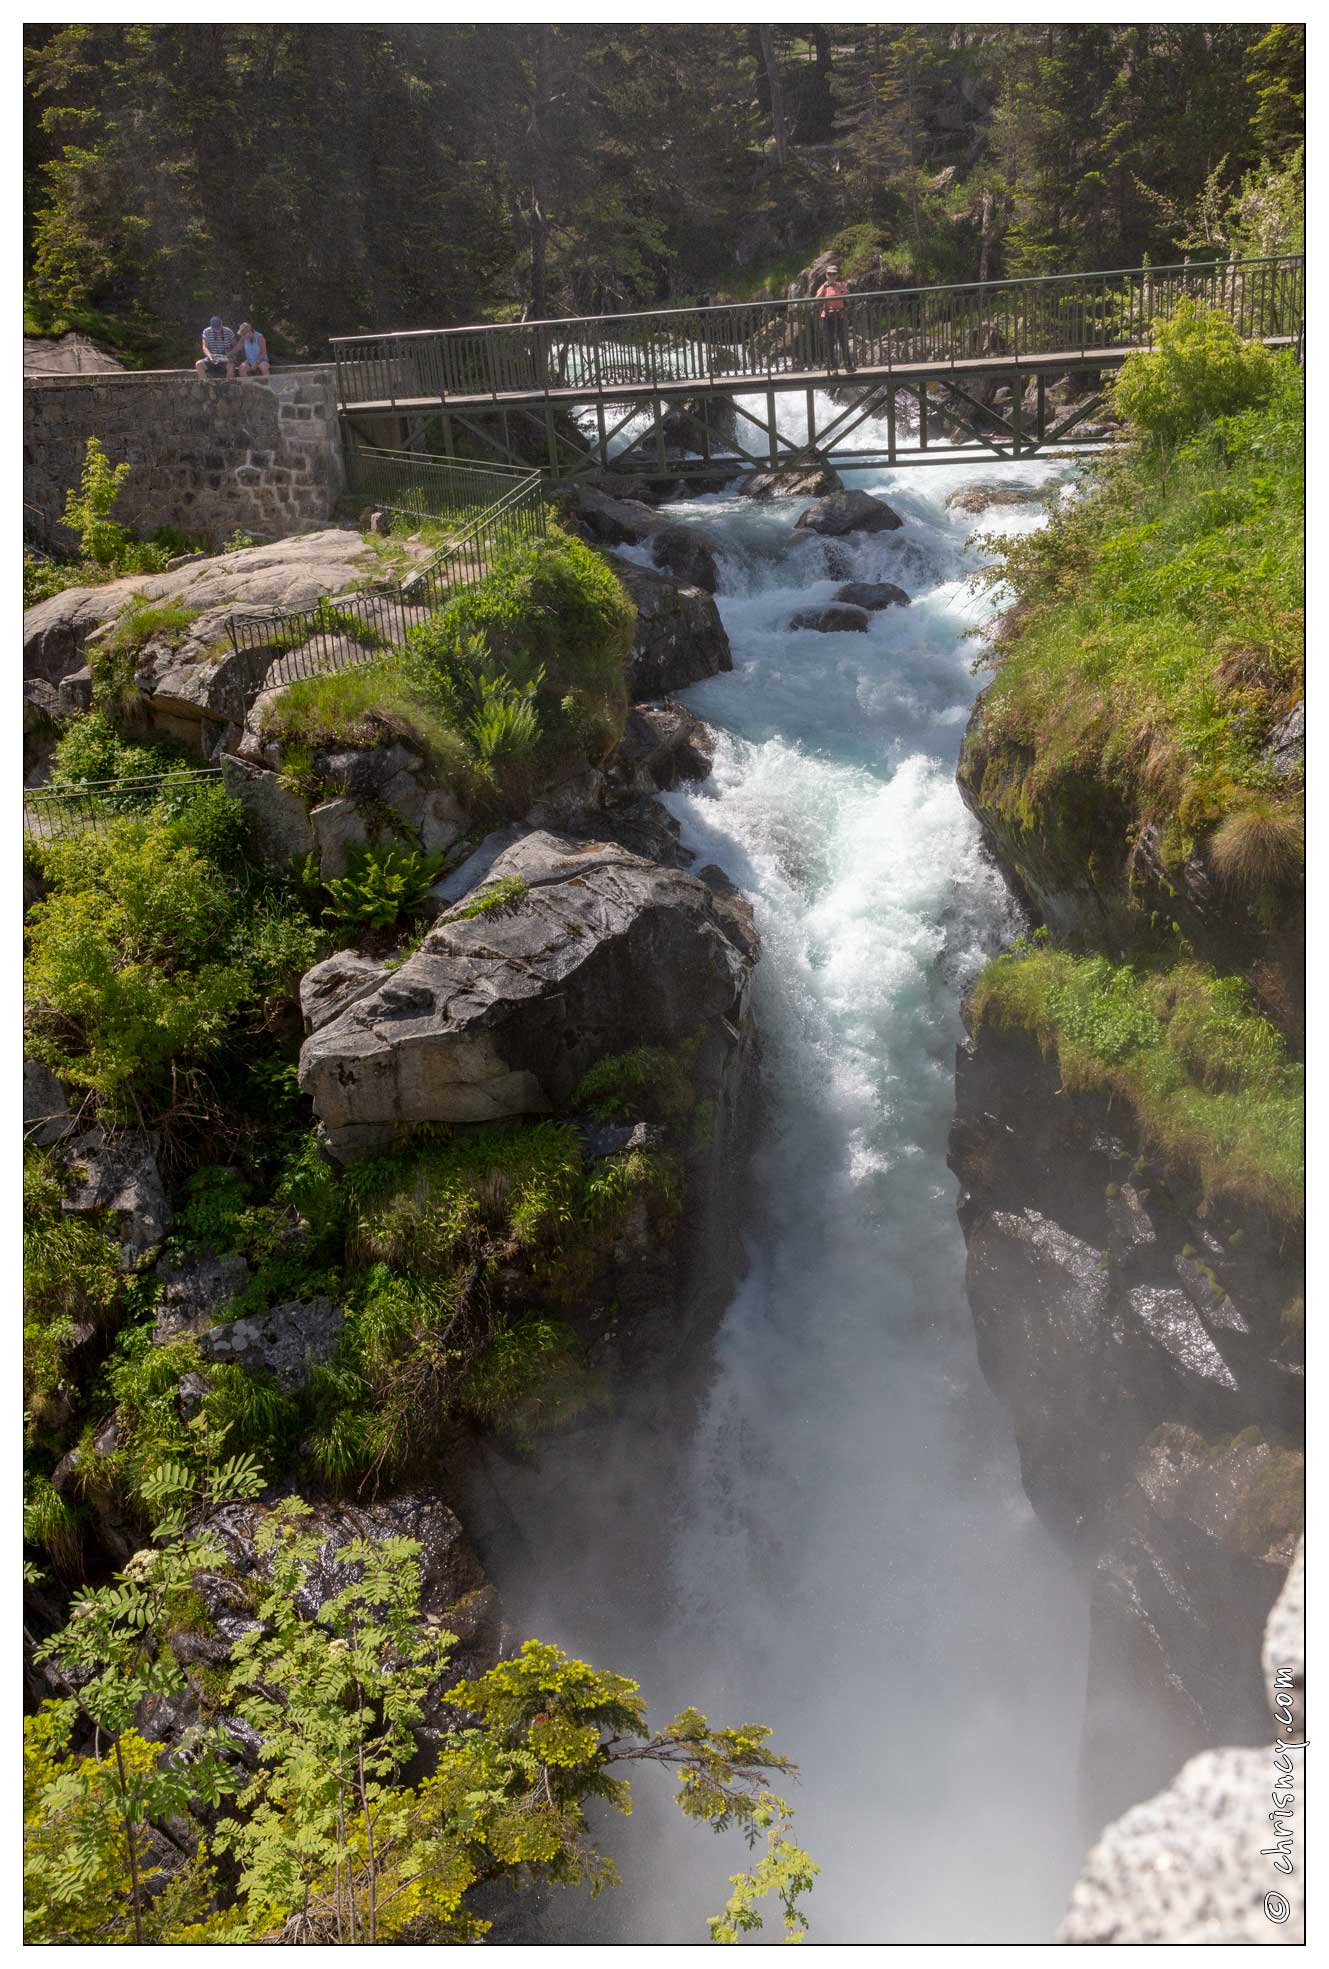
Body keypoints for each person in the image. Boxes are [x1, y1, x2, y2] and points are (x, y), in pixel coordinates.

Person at [815, 264, 854, 373]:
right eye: (829, 274)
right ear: (826, 275)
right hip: (827, 316)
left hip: (839, 315)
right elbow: (817, 298)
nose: (831, 276)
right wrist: (825, 287)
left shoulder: (841, 285)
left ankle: (848, 366)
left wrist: (841, 290)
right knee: (829, 342)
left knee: (843, 341)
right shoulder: (824, 286)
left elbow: (847, 295)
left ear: (837, 275)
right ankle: (833, 368)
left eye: (834, 274)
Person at [195, 315, 236, 380]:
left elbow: (235, 346)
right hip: (212, 358)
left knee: (231, 366)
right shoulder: (206, 331)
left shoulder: (229, 331)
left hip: (225, 358)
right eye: (215, 329)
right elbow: (204, 347)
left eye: (219, 328)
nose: (218, 331)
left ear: (221, 323)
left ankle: (228, 386)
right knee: (198, 364)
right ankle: (205, 385)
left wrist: (232, 355)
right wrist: (210, 357)